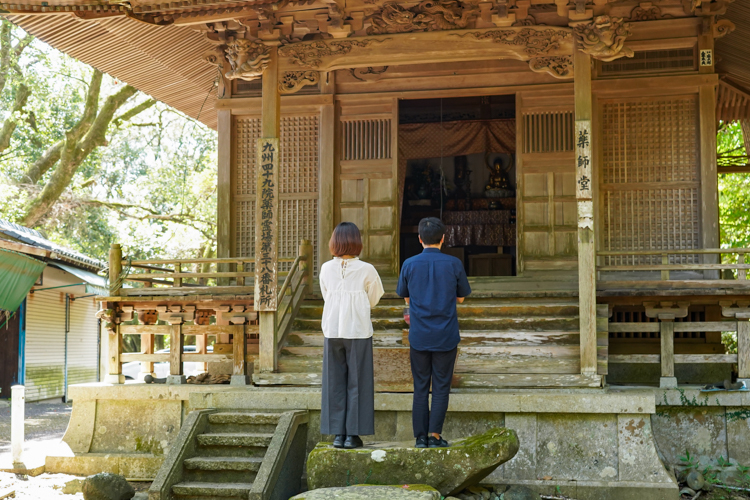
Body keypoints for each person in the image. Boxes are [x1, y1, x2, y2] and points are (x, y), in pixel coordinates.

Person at [397, 217, 471, 449]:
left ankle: (419, 438)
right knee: (440, 386)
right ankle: (435, 435)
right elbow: (461, 296)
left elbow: (405, 296)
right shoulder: (453, 263)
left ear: (420, 239)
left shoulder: (409, 264)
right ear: (443, 239)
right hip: (446, 335)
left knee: (420, 387)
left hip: (419, 335)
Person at [319, 222, 385, 449]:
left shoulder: (326, 268)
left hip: (333, 329)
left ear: (334, 242)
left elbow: (326, 295)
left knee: (334, 381)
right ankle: (353, 435)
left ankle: (338, 434)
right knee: (358, 382)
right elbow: (374, 298)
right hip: (357, 329)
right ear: (357, 242)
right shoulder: (367, 269)